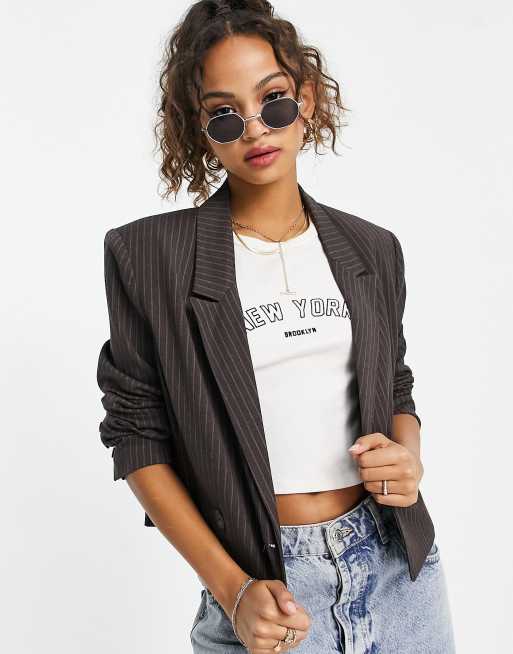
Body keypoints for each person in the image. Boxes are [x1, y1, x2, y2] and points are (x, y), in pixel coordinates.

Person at [96, 1, 456, 652]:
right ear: (200, 128)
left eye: (274, 101)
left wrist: (409, 457)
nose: (255, 129)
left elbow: (396, 386)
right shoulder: (149, 256)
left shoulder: (372, 248)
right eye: (224, 114)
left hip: (397, 569)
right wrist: (232, 591)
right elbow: (136, 435)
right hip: (268, 590)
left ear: (307, 100)